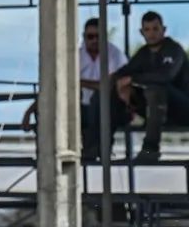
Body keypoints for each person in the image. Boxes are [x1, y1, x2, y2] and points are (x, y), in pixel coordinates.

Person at [23, 17, 131, 161]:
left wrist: (77, 82)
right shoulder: (75, 56)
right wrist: (29, 111)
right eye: (90, 36)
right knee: (52, 109)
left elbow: (107, 86)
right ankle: (47, 152)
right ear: (84, 36)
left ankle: (94, 148)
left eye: (98, 36)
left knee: (98, 98)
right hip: (81, 108)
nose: (94, 40)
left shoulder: (115, 55)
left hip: (109, 110)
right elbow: (56, 87)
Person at [113, 10, 189, 164]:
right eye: (147, 30)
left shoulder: (174, 49)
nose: (152, 34)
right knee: (120, 87)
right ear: (141, 32)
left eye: (155, 29)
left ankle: (150, 149)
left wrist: (132, 79)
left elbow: (166, 76)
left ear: (163, 30)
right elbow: (123, 73)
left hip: (188, 110)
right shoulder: (143, 53)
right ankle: (100, 145)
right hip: (161, 112)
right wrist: (120, 85)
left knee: (155, 88)